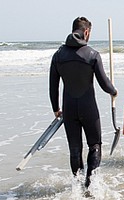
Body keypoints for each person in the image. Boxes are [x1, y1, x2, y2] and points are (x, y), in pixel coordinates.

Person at [49, 16, 118, 189]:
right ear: (86, 32)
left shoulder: (58, 55)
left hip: (69, 108)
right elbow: (104, 84)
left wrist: (56, 108)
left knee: (74, 148)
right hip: (88, 108)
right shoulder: (92, 54)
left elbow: (53, 87)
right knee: (95, 144)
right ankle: (91, 185)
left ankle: (77, 185)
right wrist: (113, 91)